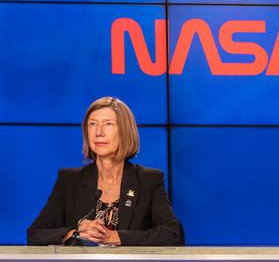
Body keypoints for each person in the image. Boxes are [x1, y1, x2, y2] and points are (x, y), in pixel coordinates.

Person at [27, 97, 184, 246]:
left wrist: (117, 237)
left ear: (124, 131)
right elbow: (35, 233)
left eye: (108, 124)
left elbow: (173, 234)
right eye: (92, 124)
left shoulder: (149, 180)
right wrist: (74, 234)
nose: (98, 132)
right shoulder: (69, 180)